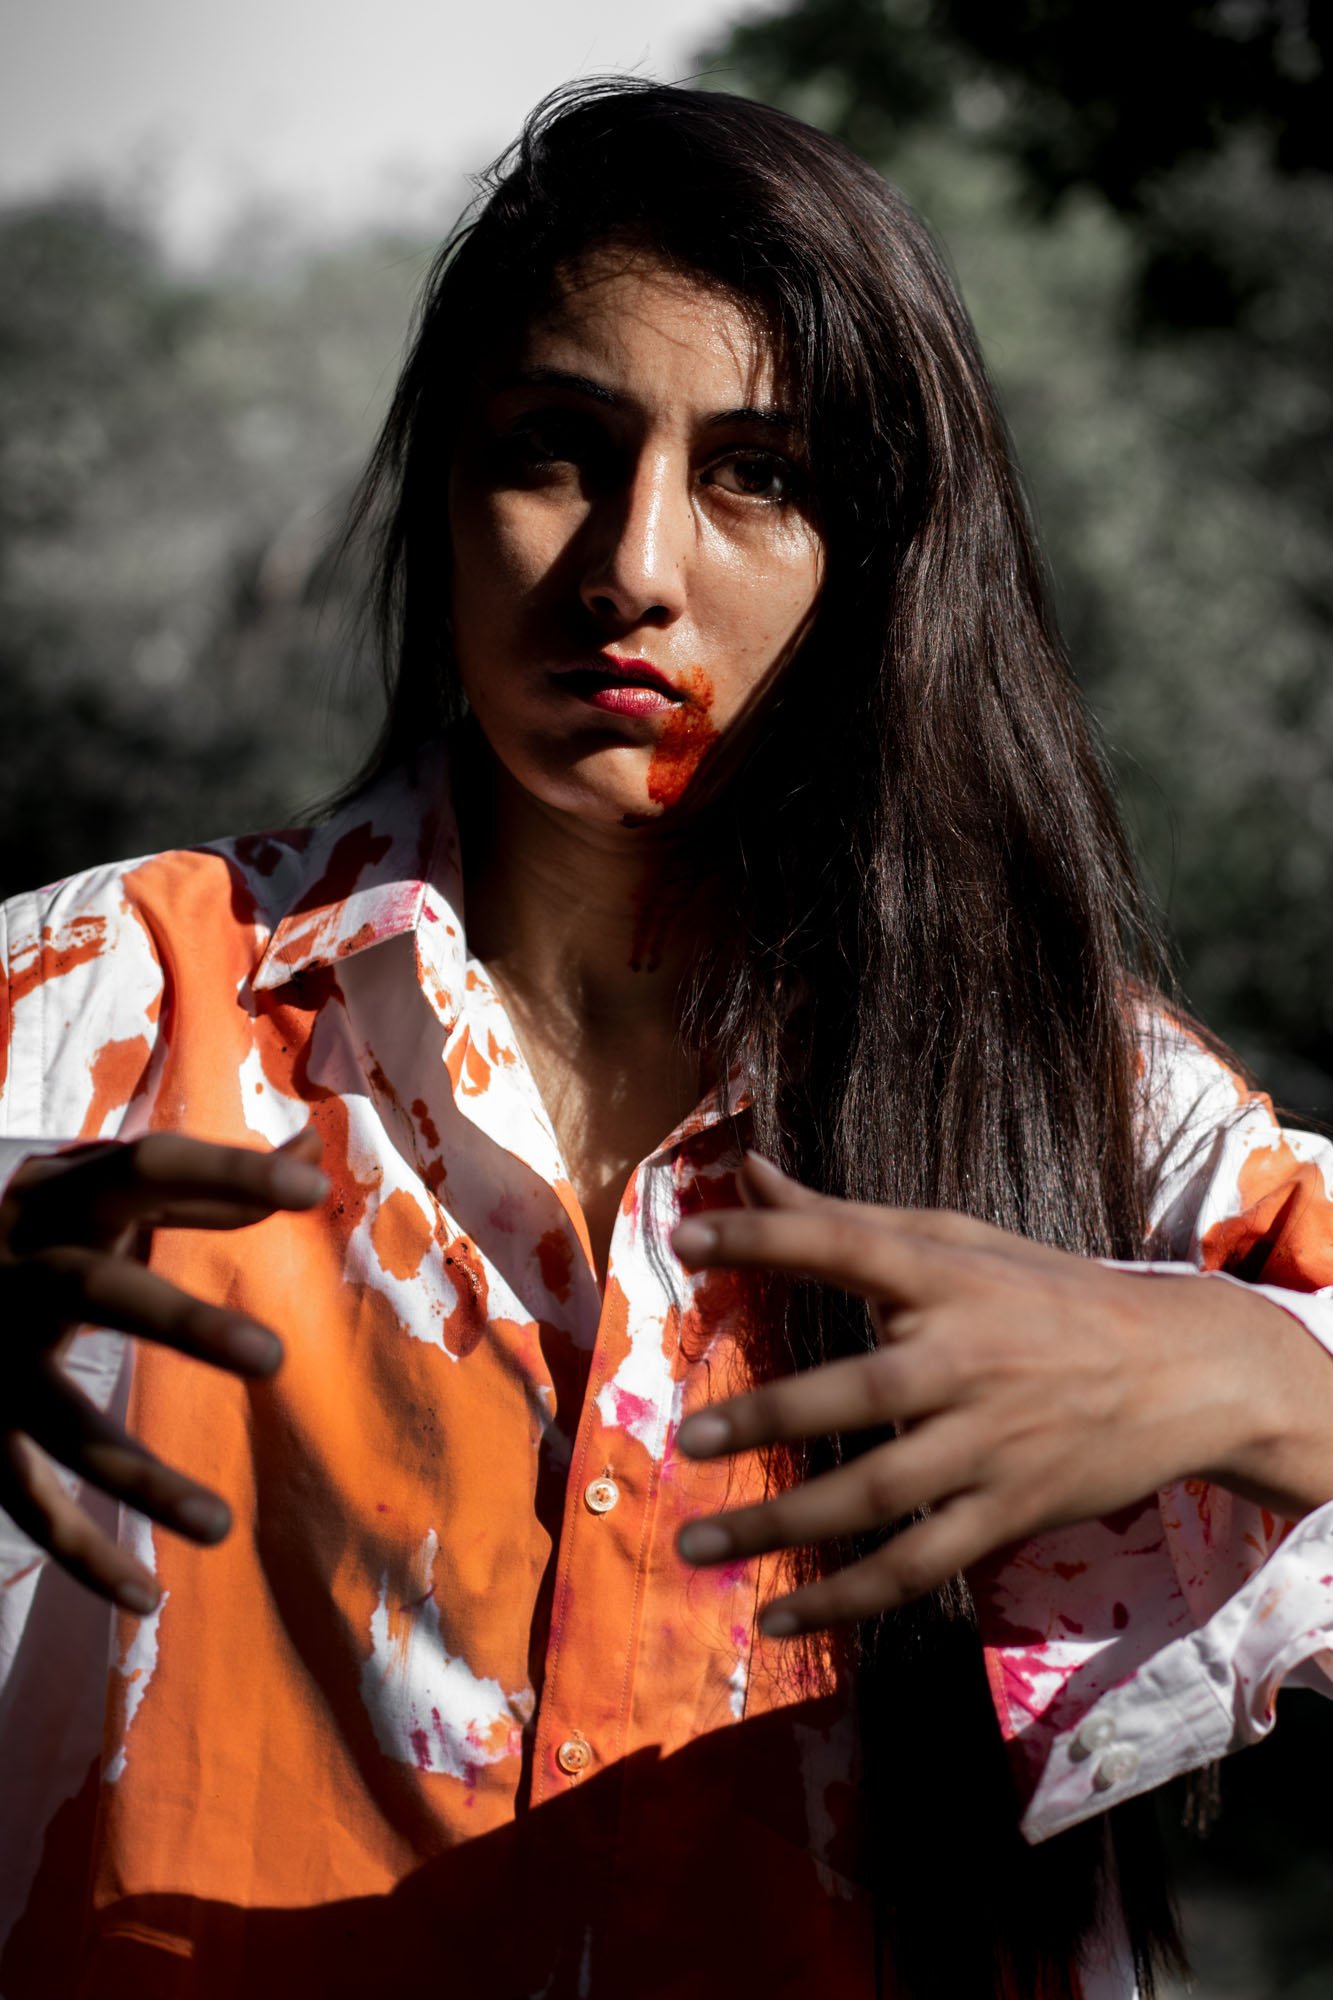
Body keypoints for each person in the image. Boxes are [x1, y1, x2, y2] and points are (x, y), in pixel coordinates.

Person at [1, 77, 1331, 2000]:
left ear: (886, 552)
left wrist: (1255, 1378)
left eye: (757, 473)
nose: (633, 564)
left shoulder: (1094, 1107)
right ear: (442, 491)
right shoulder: (96, 1007)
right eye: (555, 448)